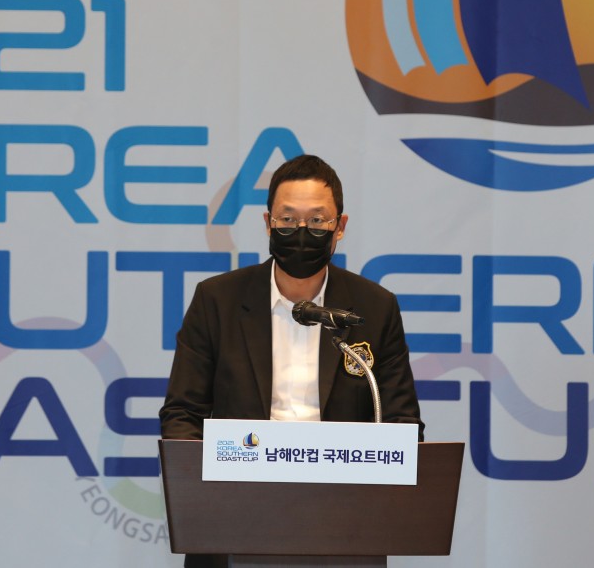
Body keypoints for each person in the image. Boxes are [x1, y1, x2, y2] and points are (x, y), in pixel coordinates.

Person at [160, 154, 423, 443]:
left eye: (317, 220)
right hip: (244, 467)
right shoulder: (217, 301)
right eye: (287, 219)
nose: (301, 231)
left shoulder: (375, 308)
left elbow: (402, 421)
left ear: (340, 227)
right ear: (268, 223)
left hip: (339, 469)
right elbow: (182, 414)